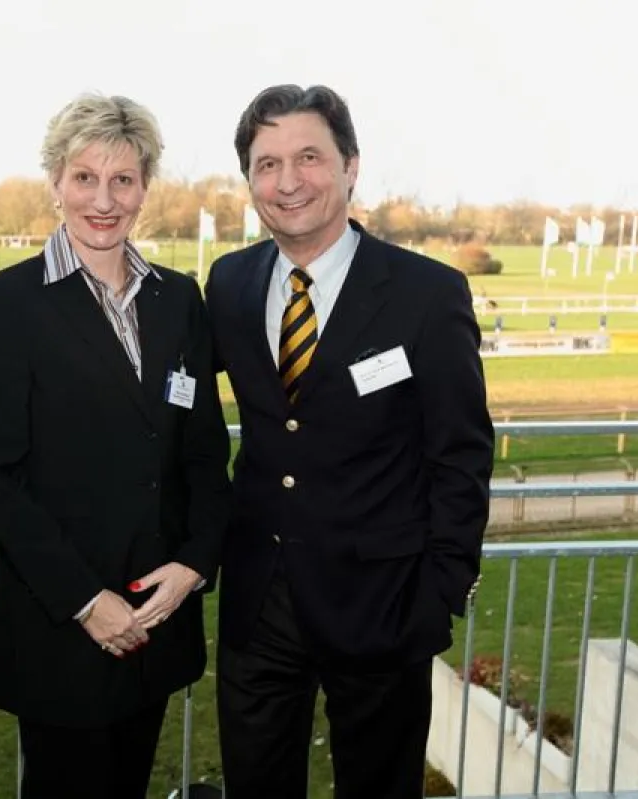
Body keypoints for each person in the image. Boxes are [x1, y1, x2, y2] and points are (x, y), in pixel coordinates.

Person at [205, 84, 495, 798]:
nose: (288, 180)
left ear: (350, 167)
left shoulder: (426, 294)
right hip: (260, 605)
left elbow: (461, 453)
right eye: (267, 163)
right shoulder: (231, 282)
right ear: (249, 181)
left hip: (385, 607)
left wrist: (440, 594)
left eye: (309, 156)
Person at [0, 93, 231, 799]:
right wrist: (86, 601)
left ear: (146, 187)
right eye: (85, 177)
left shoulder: (179, 300)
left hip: (156, 619)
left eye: (123, 180)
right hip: (63, 634)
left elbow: (203, 449)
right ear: (55, 181)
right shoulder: (6, 303)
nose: (103, 199)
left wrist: (195, 563)